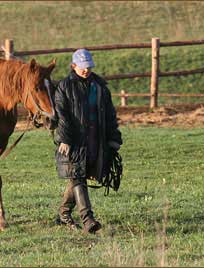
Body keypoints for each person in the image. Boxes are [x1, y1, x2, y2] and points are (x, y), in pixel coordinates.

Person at [53, 48, 122, 234]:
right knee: (77, 176)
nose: (86, 70)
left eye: (88, 67)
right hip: (73, 141)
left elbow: (110, 115)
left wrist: (114, 139)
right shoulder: (64, 87)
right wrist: (64, 139)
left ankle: (64, 213)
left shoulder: (100, 87)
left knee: (78, 177)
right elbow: (62, 115)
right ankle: (87, 219)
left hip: (95, 140)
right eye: (82, 67)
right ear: (73, 66)